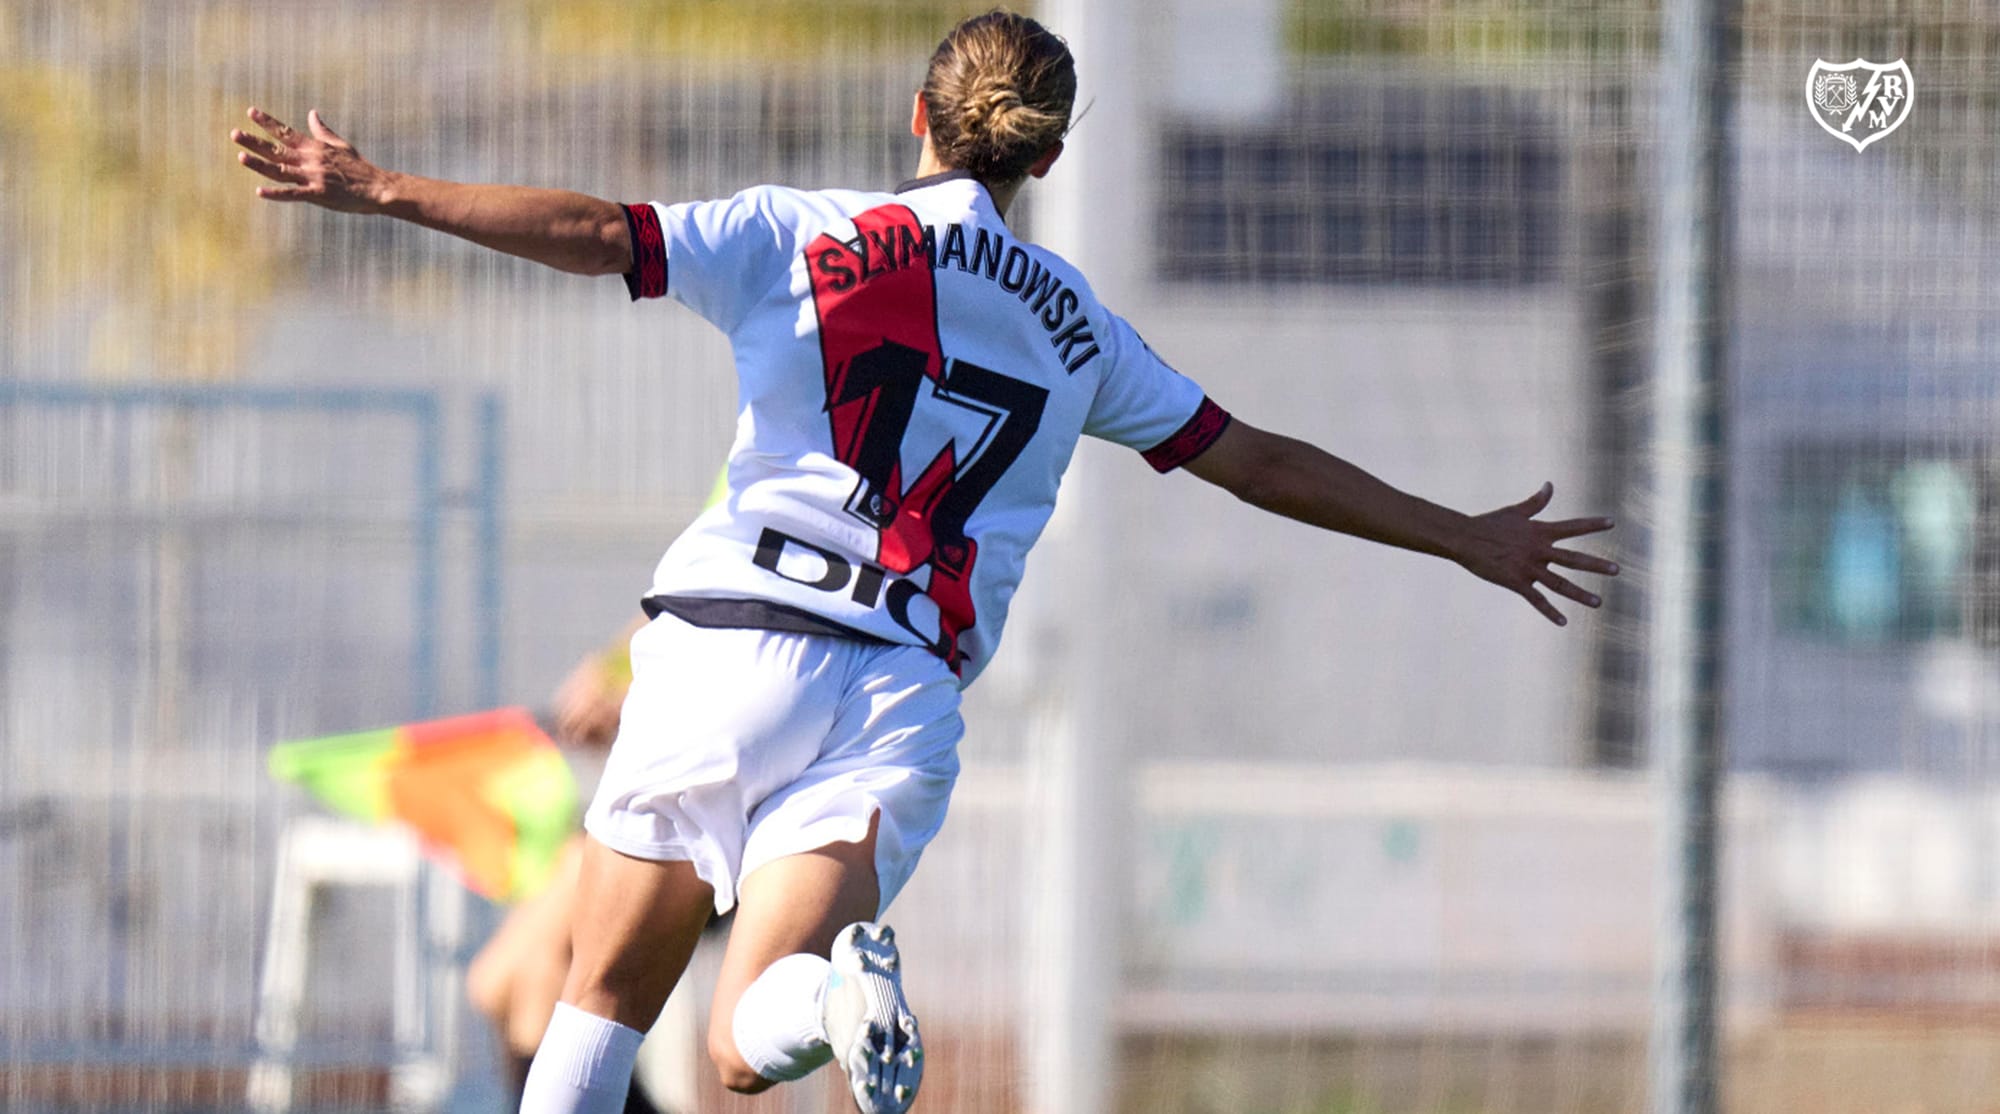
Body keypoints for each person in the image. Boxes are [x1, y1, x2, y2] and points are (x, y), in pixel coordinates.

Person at [230, 11, 1618, 1114]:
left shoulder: (803, 233)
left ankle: (819, 1012)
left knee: (596, 1002)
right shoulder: (1079, 328)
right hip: (895, 691)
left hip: (726, 648)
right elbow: (1252, 457)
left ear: (919, 117)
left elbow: (603, 235)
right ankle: (834, 1010)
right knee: (742, 1035)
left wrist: (383, 186)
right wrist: (1463, 535)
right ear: (1046, 163)